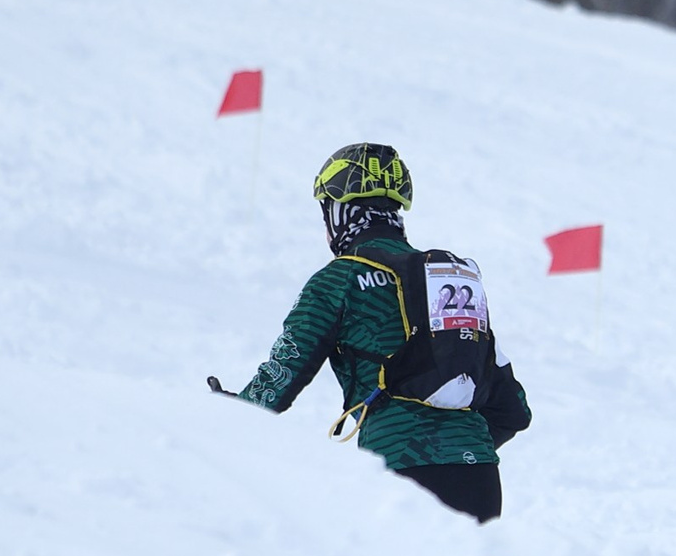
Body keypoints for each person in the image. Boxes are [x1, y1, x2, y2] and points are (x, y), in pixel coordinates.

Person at [212, 143, 530, 521]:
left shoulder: (338, 280)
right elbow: (513, 410)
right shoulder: (445, 280)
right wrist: (453, 449)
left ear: (340, 209)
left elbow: (284, 373)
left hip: (400, 475)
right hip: (479, 476)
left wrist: (225, 418)